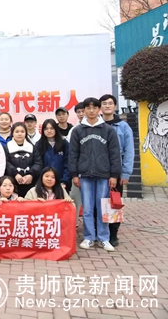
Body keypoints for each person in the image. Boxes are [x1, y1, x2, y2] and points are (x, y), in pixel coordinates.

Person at [69, 97, 122, 252]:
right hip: (84, 175)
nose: (91, 111)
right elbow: (73, 154)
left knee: (102, 207)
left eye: (94, 108)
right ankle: (89, 237)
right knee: (87, 208)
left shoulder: (108, 130)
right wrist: (74, 174)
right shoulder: (78, 131)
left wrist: (114, 175)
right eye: (88, 108)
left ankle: (104, 238)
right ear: (84, 110)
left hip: (104, 175)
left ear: (99, 110)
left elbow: (115, 154)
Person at [100, 94, 134, 247]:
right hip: (98, 170)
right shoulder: (96, 125)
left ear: (115, 106)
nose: (107, 106)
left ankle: (113, 234)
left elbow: (129, 151)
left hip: (116, 170)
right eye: (104, 103)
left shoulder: (123, 126)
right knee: (98, 202)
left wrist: (125, 172)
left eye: (110, 103)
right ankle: (99, 232)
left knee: (114, 202)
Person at [4, 122, 43, 198]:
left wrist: (31, 175)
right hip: (12, 183)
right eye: (17, 132)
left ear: (26, 133)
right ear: (12, 133)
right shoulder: (6, 147)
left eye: (22, 131)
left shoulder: (32, 147)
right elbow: (5, 163)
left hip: (30, 183)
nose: (19, 134)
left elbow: (38, 162)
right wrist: (15, 174)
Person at [36, 119, 71, 191]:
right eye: (46, 129)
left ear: (56, 129)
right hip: (44, 184)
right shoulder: (39, 145)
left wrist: (64, 181)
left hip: (62, 183)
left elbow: (68, 163)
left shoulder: (64, 143)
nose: (49, 131)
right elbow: (38, 165)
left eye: (52, 128)